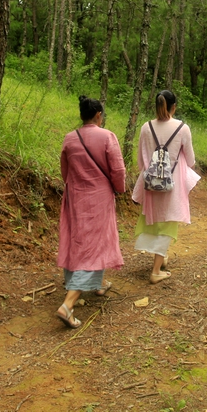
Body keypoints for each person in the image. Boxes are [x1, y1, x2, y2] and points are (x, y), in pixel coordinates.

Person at [56, 95, 127, 328]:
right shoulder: (107, 137)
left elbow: (64, 173)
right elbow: (117, 170)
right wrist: (119, 189)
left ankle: (96, 284)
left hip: (75, 198)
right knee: (95, 246)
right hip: (99, 199)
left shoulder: (69, 139)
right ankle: (68, 304)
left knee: (79, 241)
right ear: (98, 115)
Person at [132, 90, 201, 283]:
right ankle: (155, 271)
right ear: (174, 107)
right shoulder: (182, 128)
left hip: (151, 180)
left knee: (154, 218)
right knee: (168, 220)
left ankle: (160, 258)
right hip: (173, 181)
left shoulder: (146, 127)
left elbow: (140, 158)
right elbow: (191, 159)